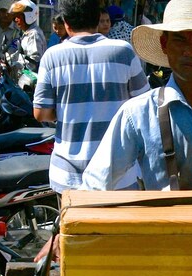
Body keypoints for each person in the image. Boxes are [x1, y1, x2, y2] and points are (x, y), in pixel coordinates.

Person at [85, 0, 192, 191]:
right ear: (164, 44)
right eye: (180, 40)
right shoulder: (137, 114)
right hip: (162, 221)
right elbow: (94, 185)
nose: (190, 51)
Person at [33, 0, 148, 193]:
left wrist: (68, 110)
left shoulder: (52, 56)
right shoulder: (123, 51)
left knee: (73, 224)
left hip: (69, 175)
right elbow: (143, 106)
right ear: (98, 19)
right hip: (118, 173)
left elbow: (41, 113)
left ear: (66, 23)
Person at [10, 0, 46, 73]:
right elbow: (20, 54)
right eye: (15, 17)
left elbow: (34, 61)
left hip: (31, 78)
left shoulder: (33, 34)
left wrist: (17, 66)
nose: (16, 20)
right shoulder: (25, 33)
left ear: (29, 15)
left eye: (18, 16)